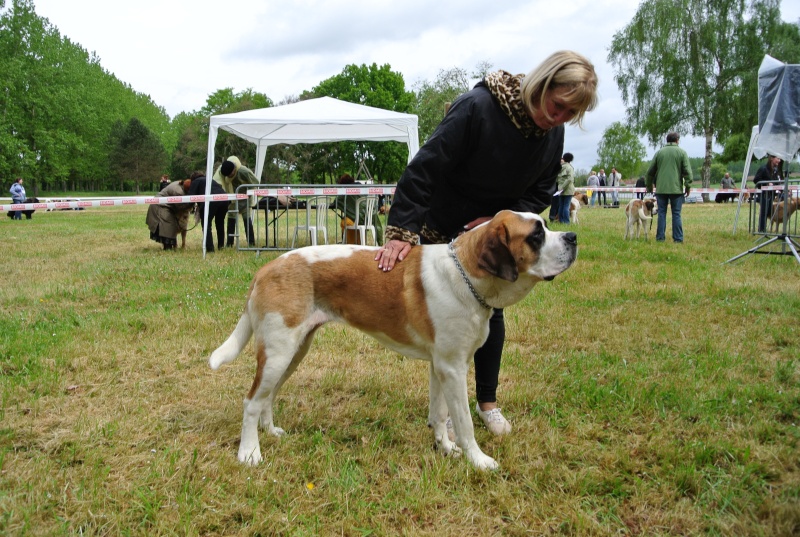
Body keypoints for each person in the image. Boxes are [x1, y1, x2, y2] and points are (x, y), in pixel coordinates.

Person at [375, 50, 598, 435]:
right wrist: (401, 231)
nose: (558, 119)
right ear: (543, 83)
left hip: (492, 236)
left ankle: (487, 402)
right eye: (558, 106)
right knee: (444, 318)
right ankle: (442, 410)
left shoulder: (552, 132)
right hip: (441, 222)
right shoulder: (478, 107)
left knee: (487, 310)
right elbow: (425, 166)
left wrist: (499, 219)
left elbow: (542, 190)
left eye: (569, 116)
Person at [645, 132, 693, 243]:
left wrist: (649, 188)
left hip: (661, 189)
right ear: (677, 140)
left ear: (667, 140)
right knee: (676, 214)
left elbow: (649, 172)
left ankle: (660, 238)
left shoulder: (659, 153)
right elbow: (688, 172)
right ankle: (678, 239)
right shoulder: (682, 153)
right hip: (676, 189)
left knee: (661, 213)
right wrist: (688, 186)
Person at [213, 156, 258, 247]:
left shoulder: (244, 171)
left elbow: (256, 182)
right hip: (233, 198)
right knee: (231, 219)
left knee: (247, 220)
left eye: (231, 174)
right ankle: (230, 243)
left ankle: (251, 242)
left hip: (245, 198)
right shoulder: (221, 173)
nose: (229, 177)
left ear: (234, 170)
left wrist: (249, 191)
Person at [146, 179, 194, 250]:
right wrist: (191, 204)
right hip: (160, 206)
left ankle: (170, 245)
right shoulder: (178, 192)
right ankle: (168, 246)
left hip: (163, 204)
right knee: (168, 225)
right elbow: (179, 207)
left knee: (169, 226)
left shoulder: (180, 183)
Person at [188, 171, 228, 252]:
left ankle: (210, 248)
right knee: (220, 223)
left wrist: (186, 207)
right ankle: (221, 246)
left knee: (206, 225)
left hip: (211, 202)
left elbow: (190, 198)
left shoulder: (196, 181)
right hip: (224, 200)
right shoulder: (210, 180)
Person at [753, 155, 782, 233]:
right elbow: (756, 180)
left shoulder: (775, 170)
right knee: (764, 212)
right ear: (772, 158)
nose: (779, 160)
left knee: (768, 211)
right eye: (778, 158)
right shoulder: (763, 169)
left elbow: (776, 182)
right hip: (763, 194)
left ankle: (764, 229)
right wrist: (766, 184)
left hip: (771, 194)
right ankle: (761, 230)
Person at [556, 152, 575, 223]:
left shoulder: (560, 167)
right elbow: (570, 179)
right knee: (566, 206)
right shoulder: (569, 167)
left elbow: (557, 179)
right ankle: (566, 222)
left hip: (560, 189)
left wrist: (560, 187)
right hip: (568, 189)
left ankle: (561, 220)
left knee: (561, 206)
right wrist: (563, 187)